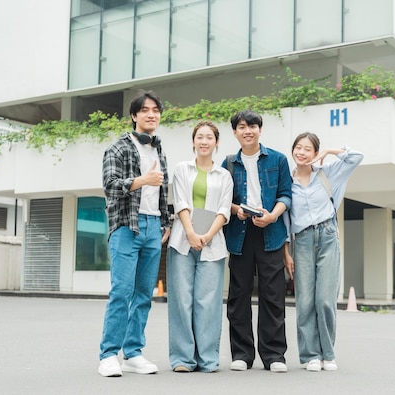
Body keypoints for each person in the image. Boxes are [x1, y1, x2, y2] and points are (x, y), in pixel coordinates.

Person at [98, 90, 171, 377]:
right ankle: (107, 354)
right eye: (145, 110)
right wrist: (143, 180)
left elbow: (161, 191)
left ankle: (133, 352)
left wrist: (165, 222)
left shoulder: (159, 149)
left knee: (143, 293)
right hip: (127, 226)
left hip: (153, 226)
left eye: (155, 110)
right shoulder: (118, 148)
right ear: (134, 116)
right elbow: (110, 185)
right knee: (121, 291)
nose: (151, 114)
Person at [283, 132, 363, 372]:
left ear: (314, 153)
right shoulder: (287, 182)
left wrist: (329, 152)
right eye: (298, 147)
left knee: (325, 300)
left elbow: (357, 157)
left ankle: (328, 353)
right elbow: (286, 221)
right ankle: (310, 356)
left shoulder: (328, 173)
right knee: (305, 301)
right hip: (303, 240)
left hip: (328, 236)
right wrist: (286, 253)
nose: (301, 152)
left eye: (307, 149)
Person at [221, 110, 292, 373]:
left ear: (260, 130)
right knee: (238, 295)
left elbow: (286, 194)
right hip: (240, 232)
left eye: (252, 126)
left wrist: (273, 215)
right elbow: (221, 198)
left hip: (270, 232)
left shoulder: (278, 159)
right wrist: (235, 209)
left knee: (273, 296)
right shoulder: (228, 163)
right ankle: (241, 354)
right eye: (242, 126)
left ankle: (274, 355)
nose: (247, 130)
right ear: (235, 132)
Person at [166, 121, 234, 373]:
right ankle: (182, 358)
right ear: (193, 141)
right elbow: (181, 201)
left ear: (216, 143)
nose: (204, 141)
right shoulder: (182, 169)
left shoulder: (224, 175)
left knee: (208, 302)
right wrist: (191, 233)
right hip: (182, 241)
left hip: (213, 244)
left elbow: (224, 210)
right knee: (182, 300)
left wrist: (206, 235)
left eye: (209, 137)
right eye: (199, 137)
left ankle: (207, 358)